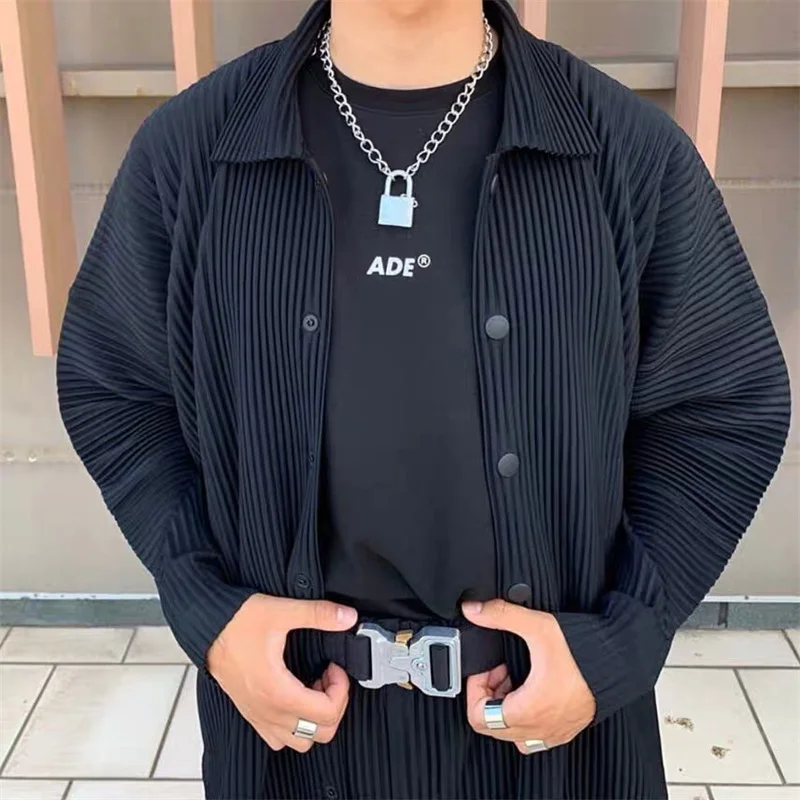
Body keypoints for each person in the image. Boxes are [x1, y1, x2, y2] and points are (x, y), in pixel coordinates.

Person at [55, 0, 791, 797]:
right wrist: (210, 612)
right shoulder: (192, 154)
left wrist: (618, 643)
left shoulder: (625, 155)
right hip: (289, 740)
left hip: (553, 744)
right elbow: (117, 390)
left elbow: (721, 408)